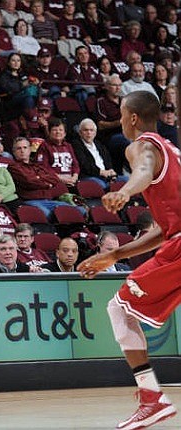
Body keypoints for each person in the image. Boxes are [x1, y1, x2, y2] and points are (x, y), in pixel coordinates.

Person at [78, 90, 181, 430]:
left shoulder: (142, 145)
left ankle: (152, 399)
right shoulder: (173, 151)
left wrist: (126, 190)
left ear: (133, 118)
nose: (120, 120)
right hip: (176, 241)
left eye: (122, 114)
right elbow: (165, 231)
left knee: (118, 309)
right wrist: (115, 254)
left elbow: (144, 170)